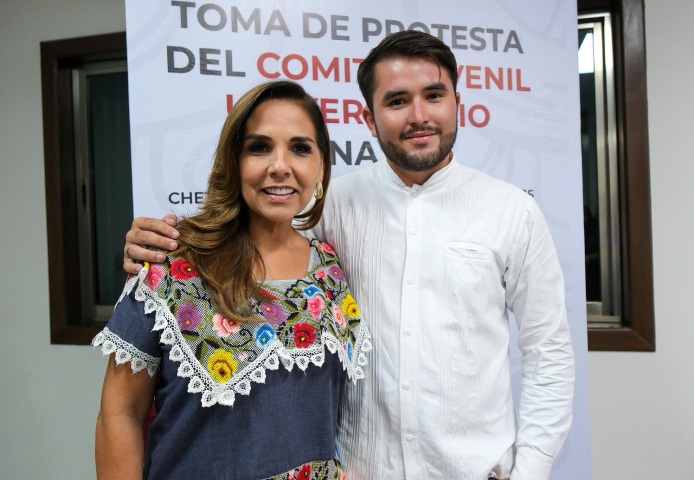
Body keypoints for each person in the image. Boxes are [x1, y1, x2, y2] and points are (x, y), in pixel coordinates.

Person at [124, 31, 575, 480]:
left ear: (457, 102)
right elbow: (255, 236)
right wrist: (159, 244)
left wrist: (530, 472)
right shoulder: (329, 207)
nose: (419, 115)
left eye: (434, 96)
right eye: (397, 101)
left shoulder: (512, 212)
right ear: (369, 119)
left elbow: (548, 353)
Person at [94, 80, 370, 480]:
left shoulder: (331, 269)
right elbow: (120, 413)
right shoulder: (173, 265)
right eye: (259, 147)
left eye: (300, 148)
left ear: (322, 166)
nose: (280, 165)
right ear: (233, 161)